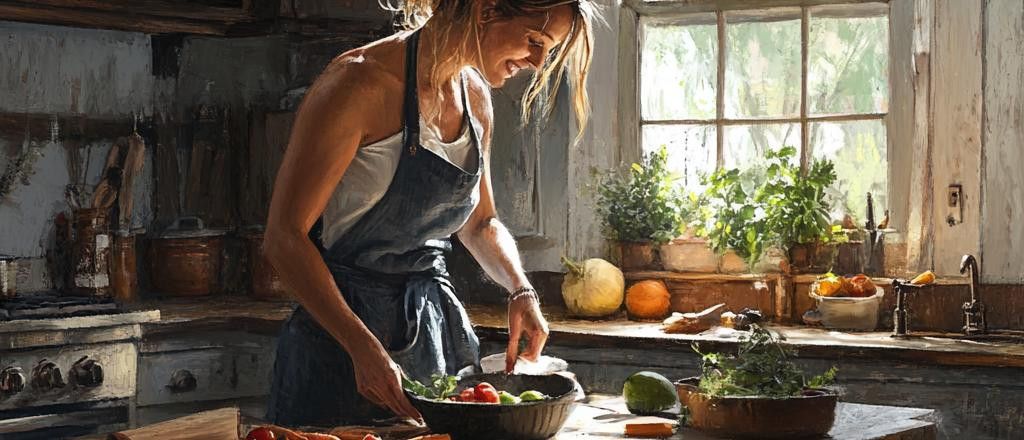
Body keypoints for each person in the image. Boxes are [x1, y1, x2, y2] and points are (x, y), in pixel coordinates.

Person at [263, 0, 596, 427]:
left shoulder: (475, 98)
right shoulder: (357, 84)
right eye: (535, 40)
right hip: (337, 347)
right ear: (486, 8)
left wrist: (520, 288)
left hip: (433, 338)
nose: (537, 62)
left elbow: (480, 222)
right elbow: (283, 237)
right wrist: (361, 348)